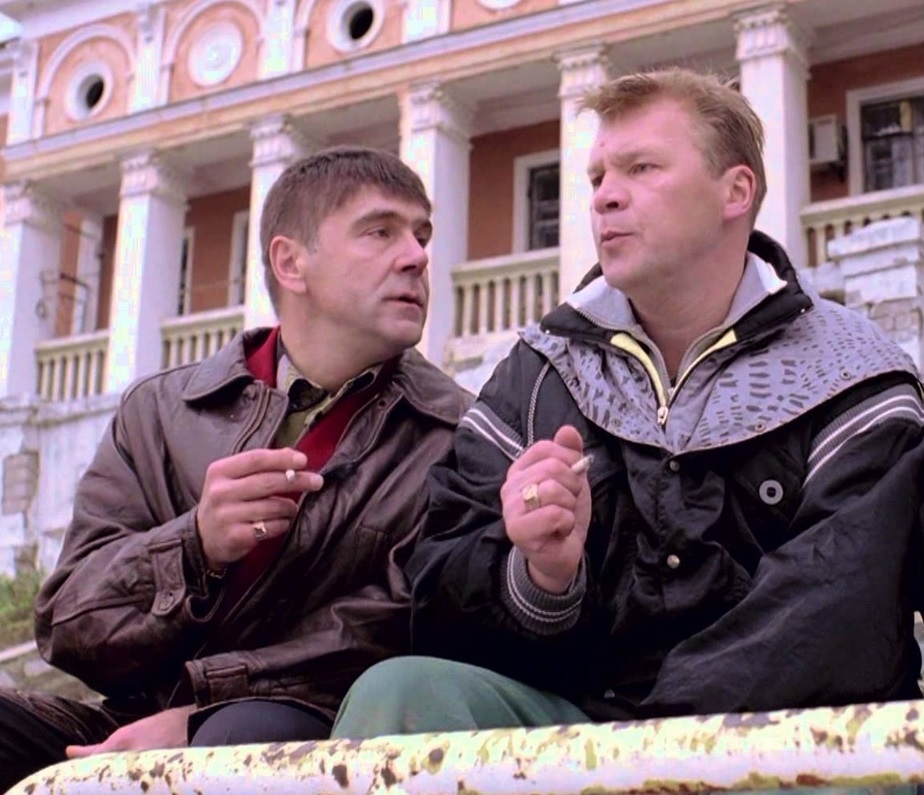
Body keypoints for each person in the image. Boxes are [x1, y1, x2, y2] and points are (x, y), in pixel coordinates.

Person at [332, 69, 924, 738]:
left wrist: (646, 756)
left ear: (735, 191)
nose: (605, 197)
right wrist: (537, 576)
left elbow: (834, 619)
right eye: (597, 178)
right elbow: (436, 595)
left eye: (641, 168)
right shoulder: (539, 371)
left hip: (790, 744)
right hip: (586, 734)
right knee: (401, 692)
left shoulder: (853, 370)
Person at [0, 146, 471, 791]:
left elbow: (399, 630)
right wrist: (195, 544)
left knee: (234, 741)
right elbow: (70, 629)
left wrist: (200, 715)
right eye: (381, 231)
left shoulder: (455, 433)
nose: (417, 256)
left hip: (319, 731)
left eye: (422, 236)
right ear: (290, 262)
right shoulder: (160, 411)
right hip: (131, 719)